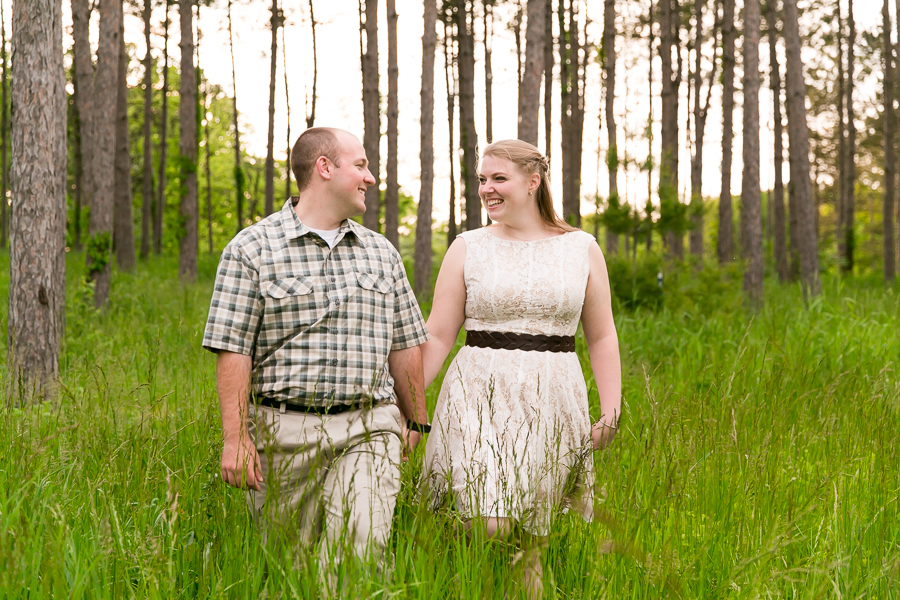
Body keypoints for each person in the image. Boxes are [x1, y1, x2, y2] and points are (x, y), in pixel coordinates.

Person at [202, 127, 430, 578]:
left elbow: (405, 343)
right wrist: (235, 439)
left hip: (369, 428)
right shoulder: (251, 249)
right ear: (324, 167)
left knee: (359, 553)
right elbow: (233, 350)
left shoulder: (382, 253)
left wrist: (417, 418)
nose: (370, 178)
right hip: (281, 432)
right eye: (360, 165)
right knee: (287, 573)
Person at [421, 139, 621, 599]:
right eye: (482, 180)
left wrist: (611, 411)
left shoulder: (581, 248)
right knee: (487, 520)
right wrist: (406, 402)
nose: (486, 189)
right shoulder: (467, 247)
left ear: (533, 182)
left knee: (530, 538)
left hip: (553, 396)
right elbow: (438, 334)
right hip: (478, 392)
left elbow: (602, 336)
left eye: (498, 179)